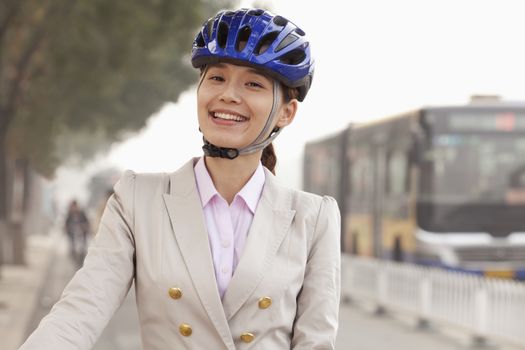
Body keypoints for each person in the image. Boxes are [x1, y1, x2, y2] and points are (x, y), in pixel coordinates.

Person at [20, 8, 340, 350]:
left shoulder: (313, 218)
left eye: (253, 84)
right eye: (217, 78)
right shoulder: (136, 200)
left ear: (285, 113)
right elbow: (80, 312)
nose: (229, 95)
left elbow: (316, 342)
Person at [64, 200, 90, 264]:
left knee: (82, 247)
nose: (74, 208)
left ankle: (82, 254)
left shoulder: (82, 213)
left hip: (82, 232)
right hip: (72, 233)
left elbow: (87, 223)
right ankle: (74, 254)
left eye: (75, 206)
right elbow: (66, 224)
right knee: (73, 246)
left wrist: (83, 227)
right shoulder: (69, 214)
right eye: (72, 206)